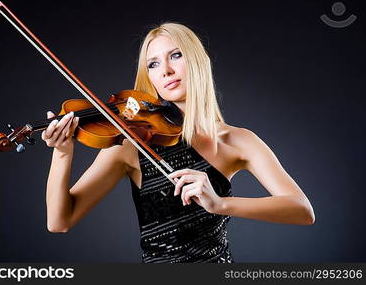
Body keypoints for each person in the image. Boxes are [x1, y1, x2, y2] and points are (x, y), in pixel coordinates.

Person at [41, 22, 315, 263]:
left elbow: (302, 210)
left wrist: (220, 204)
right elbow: (59, 221)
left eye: (176, 55)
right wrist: (63, 154)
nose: (166, 71)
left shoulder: (238, 141)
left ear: (197, 61)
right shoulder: (131, 143)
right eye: (153, 64)